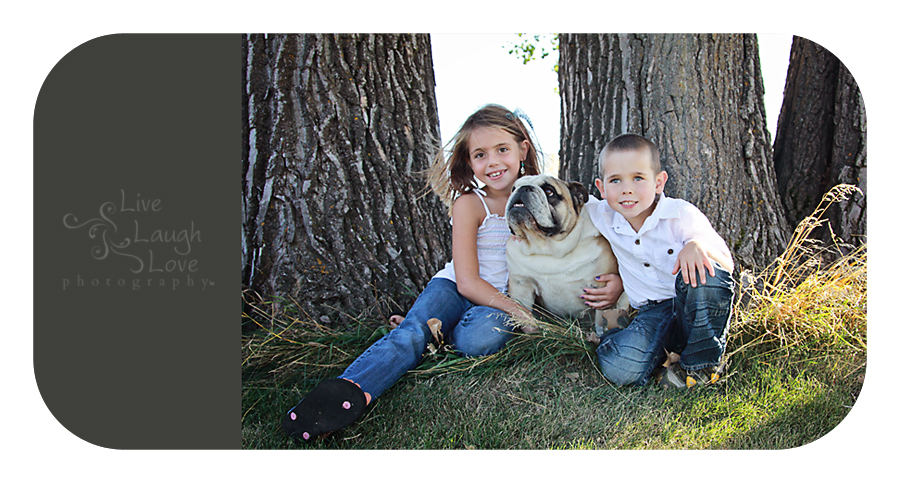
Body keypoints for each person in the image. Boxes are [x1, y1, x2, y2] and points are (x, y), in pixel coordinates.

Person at [281, 104, 626, 443]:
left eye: (502, 150)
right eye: (480, 155)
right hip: (456, 288)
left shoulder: (544, 196)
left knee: (482, 339)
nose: (493, 162)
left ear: (522, 150)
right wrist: (520, 312)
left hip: (493, 303)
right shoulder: (470, 203)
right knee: (412, 335)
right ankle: (352, 390)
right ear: (468, 162)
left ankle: (439, 334)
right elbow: (467, 281)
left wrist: (619, 280)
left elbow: (601, 220)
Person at [583, 133, 735, 389]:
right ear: (601, 187)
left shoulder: (680, 214)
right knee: (619, 369)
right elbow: (560, 196)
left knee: (707, 271)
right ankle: (628, 340)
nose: (627, 189)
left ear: (659, 182)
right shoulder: (602, 215)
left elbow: (726, 267)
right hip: (652, 313)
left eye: (638, 178)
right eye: (616, 180)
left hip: (691, 305)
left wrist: (696, 245)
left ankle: (700, 365)